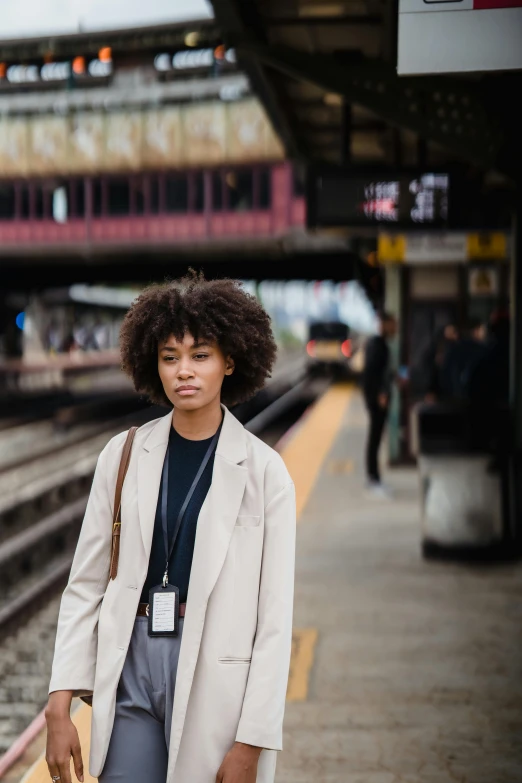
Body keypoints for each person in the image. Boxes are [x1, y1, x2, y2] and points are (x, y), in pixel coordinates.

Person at [44, 272, 296, 783]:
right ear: (151, 364)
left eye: (200, 355)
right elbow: (86, 584)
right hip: (133, 662)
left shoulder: (266, 473)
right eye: (169, 357)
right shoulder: (125, 453)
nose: (185, 371)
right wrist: (59, 701)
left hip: (215, 673)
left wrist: (253, 740)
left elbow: (274, 622)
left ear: (230, 360)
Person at [362, 312, 397, 497]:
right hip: (376, 399)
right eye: (393, 324)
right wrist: (380, 393)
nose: (395, 328)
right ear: (384, 325)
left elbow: (382, 371)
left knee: (376, 436)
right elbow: (372, 372)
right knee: (375, 437)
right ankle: (373, 478)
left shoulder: (379, 344)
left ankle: (374, 477)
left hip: (375, 398)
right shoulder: (377, 345)